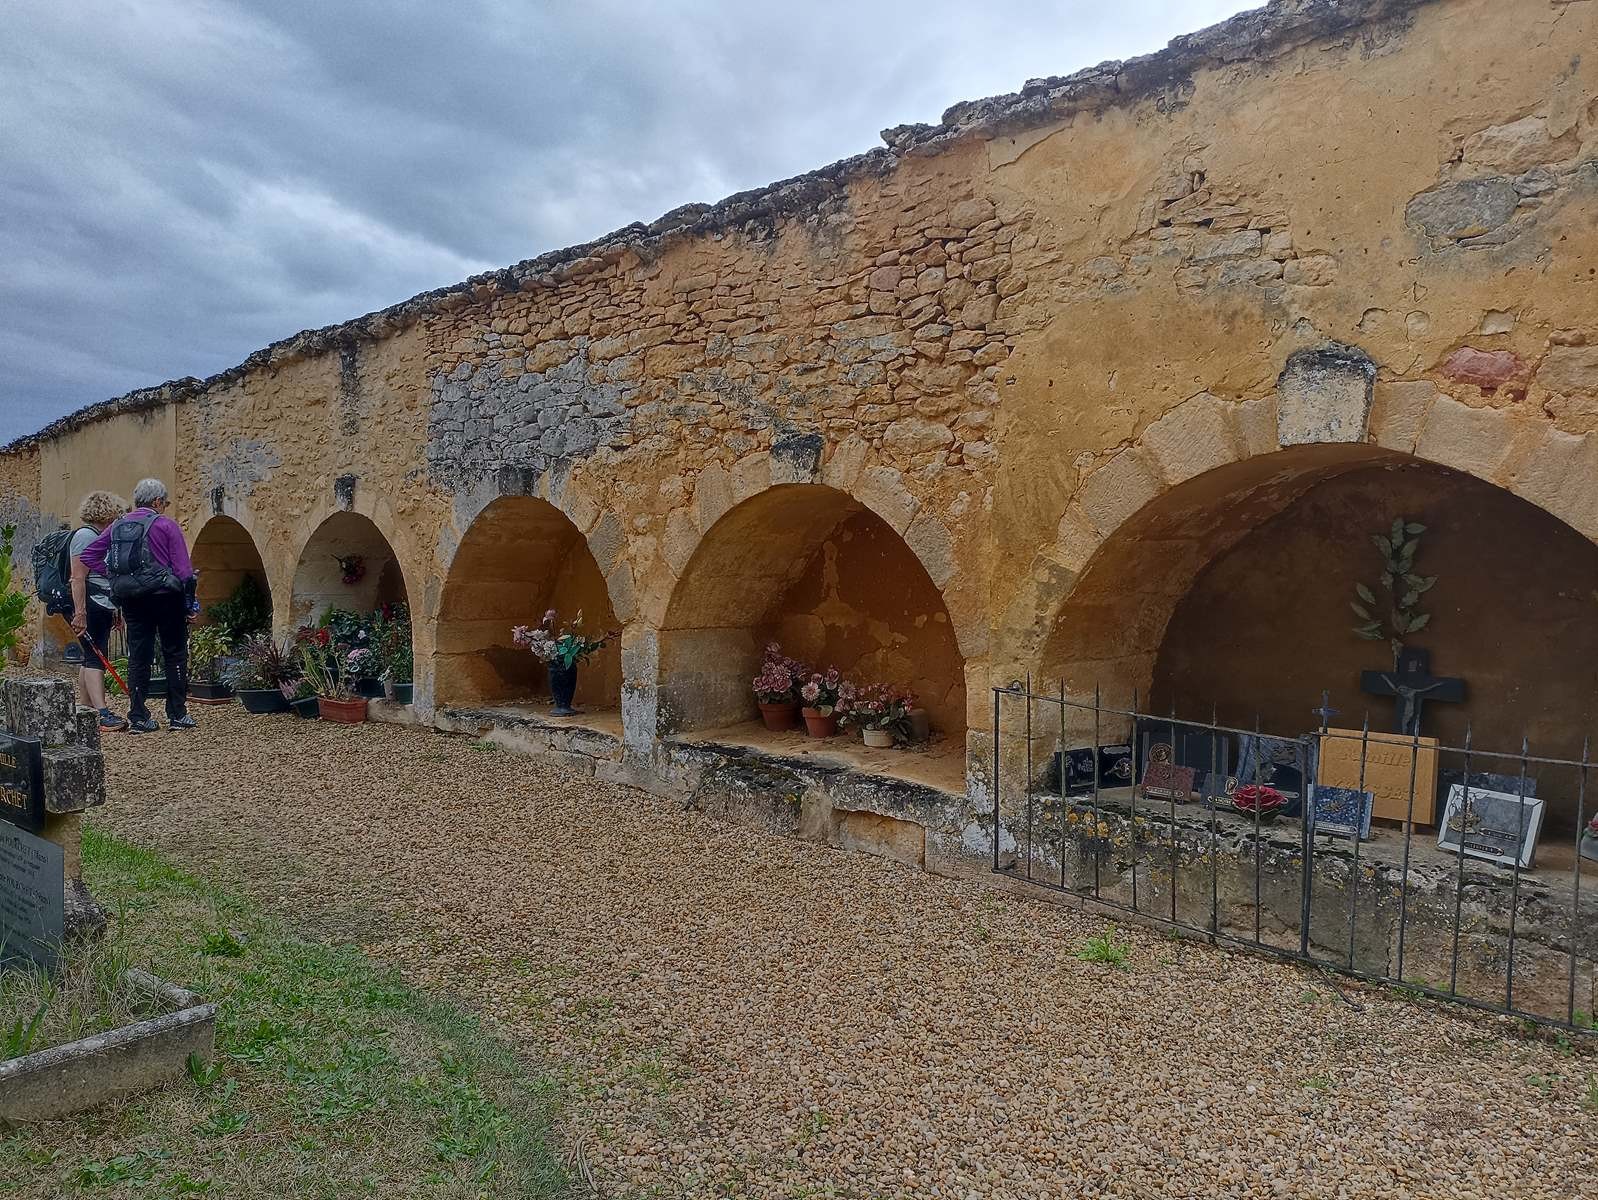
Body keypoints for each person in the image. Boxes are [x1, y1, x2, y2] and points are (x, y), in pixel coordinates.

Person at [76, 479, 198, 733]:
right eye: (164, 502)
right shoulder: (166, 525)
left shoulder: (118, 526)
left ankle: (139, 717)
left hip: (132, 599)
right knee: (174, 653)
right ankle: (177, 715)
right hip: (166, 598)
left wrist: (114, 576)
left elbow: (89, 555)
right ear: (156, 502)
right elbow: (184, 572)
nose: (164, 507)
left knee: (138, 657)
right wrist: (190, 606)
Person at [67, 490, 130, 730]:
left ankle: (84, 711)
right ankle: (102, 713)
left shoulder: (92, 535)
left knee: (89, 656)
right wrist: (80, 612)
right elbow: (78, 577)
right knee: (96, 657)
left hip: (101, 603)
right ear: (106, 513)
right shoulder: (85, 536)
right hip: (92, 604)